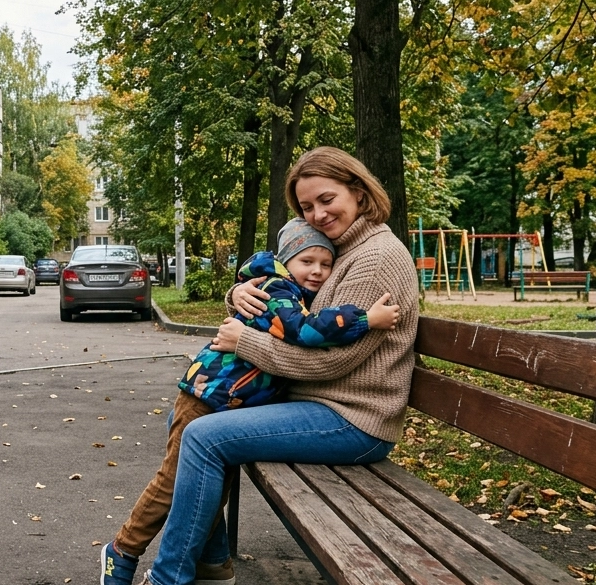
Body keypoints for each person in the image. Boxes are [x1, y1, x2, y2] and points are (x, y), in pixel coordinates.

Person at [138, 147, 420, 585]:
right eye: (307, 207)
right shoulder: (342, 250)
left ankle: (168, 578)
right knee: (194, 417)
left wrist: (243, 341)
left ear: (360, 193)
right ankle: (212, 567)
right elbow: (289, 306)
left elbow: (334, 360)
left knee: (204, 438)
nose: (318, 215)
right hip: (317, 406)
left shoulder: (377, 258)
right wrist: (239, 297)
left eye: (327, 200)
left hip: (354, 420)